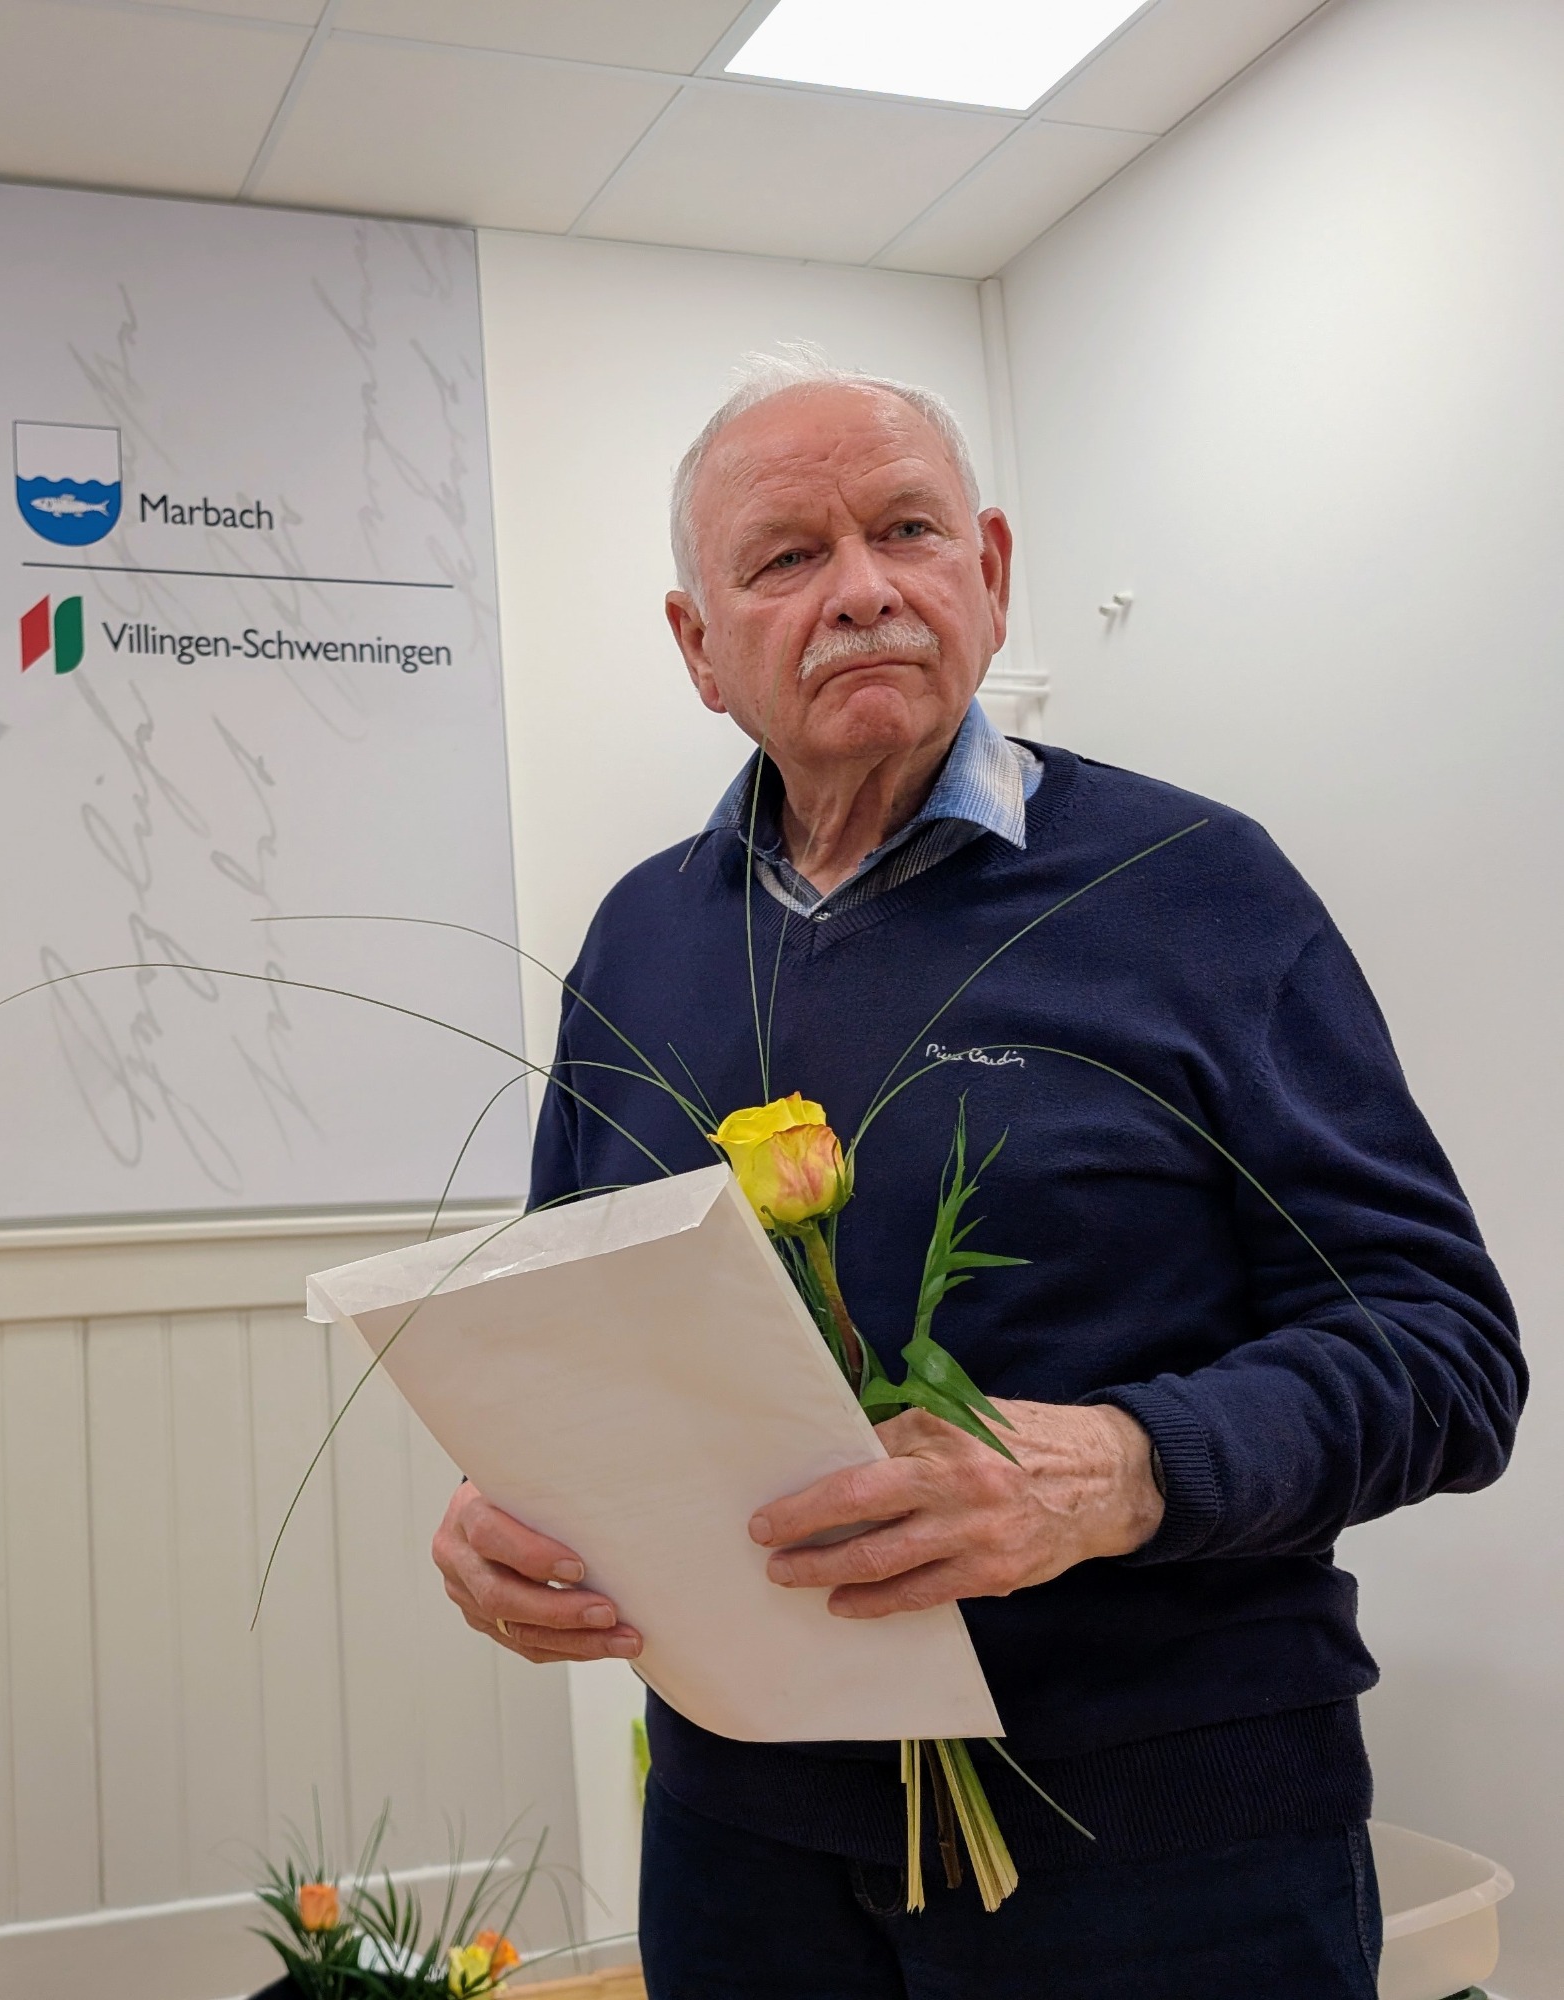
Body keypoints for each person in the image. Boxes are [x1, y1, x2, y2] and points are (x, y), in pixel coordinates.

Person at [433, 351, 1523, 1998]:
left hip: (1164, 1844)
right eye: (786, 557)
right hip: (742, 1846)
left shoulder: (1196, 888)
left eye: (907, 531)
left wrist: (1119, 1471)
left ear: (990, 572)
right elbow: (571, 1334)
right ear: (696, 647)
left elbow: (1442, 1352)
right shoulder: (639, 939)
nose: (862, 590)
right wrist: (512, 1510)